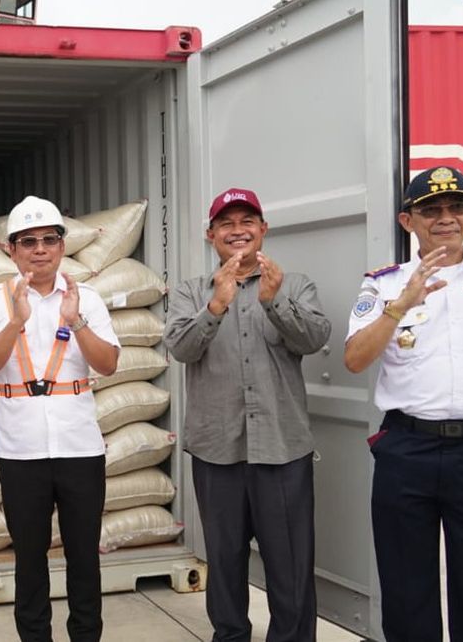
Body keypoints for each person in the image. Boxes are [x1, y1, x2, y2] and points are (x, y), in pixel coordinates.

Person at [344, 166, 463, 642]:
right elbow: (355, 359)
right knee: (406, 593)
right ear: (408, 221)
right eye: (430, 209)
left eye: (457, 206)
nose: (445, 218)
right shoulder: (384, 285)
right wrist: (400, 306)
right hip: (407, 451)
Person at [165, 188, 330, 642]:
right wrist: (216, 306)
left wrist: (274, 302)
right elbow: (180, 348)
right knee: (224, 560)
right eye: (226, 223)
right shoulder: (190, 292)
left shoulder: (294, 285)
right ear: (211, 235)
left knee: (291, 564)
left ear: (263, 229)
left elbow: (314, 338)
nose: (237, 231)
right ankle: (230, 635)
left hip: (282, 449)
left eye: (247, 221)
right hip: (216, 450)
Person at [0, 195, 120, 642]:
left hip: (79, 447)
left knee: (83, 557)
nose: (40, 250)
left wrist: (77, 322)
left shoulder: (86, 298)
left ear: (62, 246)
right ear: (11, 250)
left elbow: (109, 364)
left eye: (49, 240)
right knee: (29, 559)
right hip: (20, 450)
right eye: (28, 242)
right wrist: (16, 321)